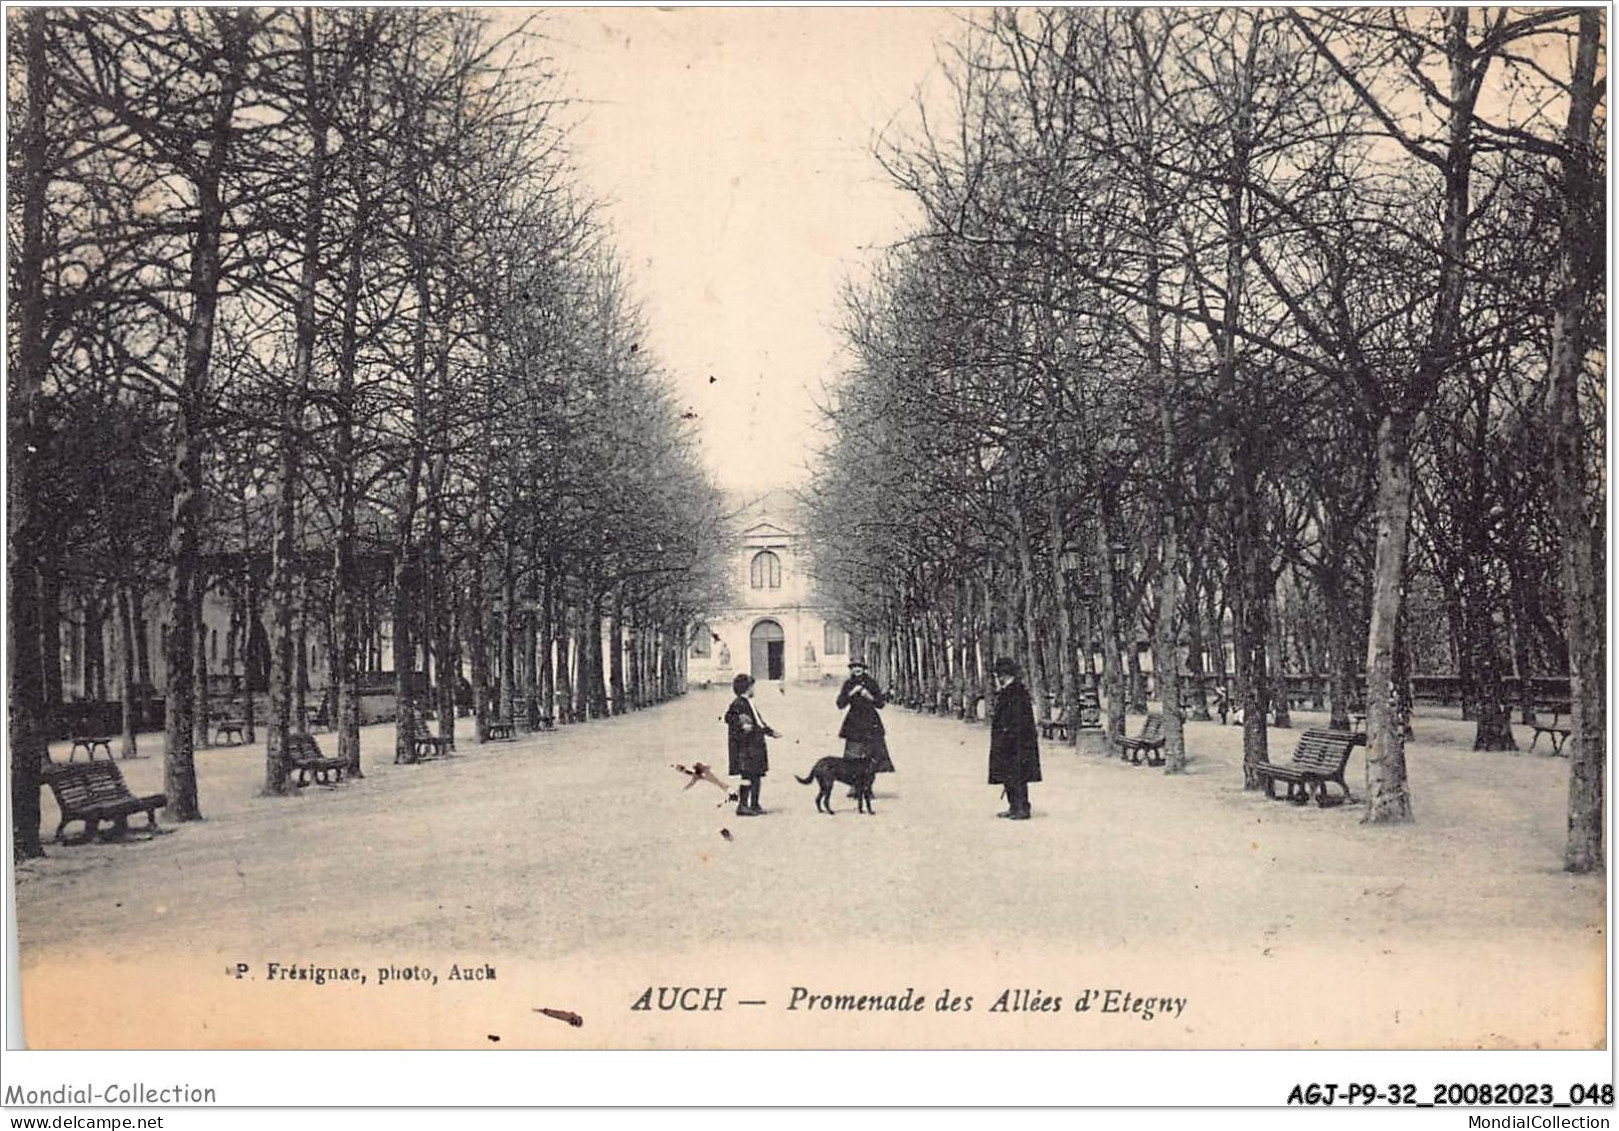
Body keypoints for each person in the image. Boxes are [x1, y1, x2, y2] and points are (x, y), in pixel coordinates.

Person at [988, 657, 1040, 820]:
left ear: (1003, 675)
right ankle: (1013, 806)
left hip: (1016, 742)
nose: (997, 679)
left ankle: (1022, 808)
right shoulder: (1009, 690)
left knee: (1018, 774)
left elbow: (1018, 720)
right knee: (1008, 774)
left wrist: (1007, 735)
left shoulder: (1016, 691)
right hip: (1008, 741)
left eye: (998, 675)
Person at [836, 657, 893, 793]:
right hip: (854, 723)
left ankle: (868, 788)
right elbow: (840, 704)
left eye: (859, 666)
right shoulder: (848, 684)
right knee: (853, 755)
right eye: (854, 666)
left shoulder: (871, 683)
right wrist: (851, 693)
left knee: (870, 756)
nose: (857, 669)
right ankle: (854, 786)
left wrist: (869, 696)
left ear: (864, 668)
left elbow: (880, 704)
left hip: (870, 722)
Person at [724, 673, 777, 816]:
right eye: (753, 687)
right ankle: (742, 805)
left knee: (757, 775)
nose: (754, 690)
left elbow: (758, 723)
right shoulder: (738, 703)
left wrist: (770, 732)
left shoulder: (748, 702)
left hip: (755, 745)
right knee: (747, 776)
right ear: (747, 688)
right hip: (746, 747)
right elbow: (729, 717)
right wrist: (741, 725)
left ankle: (754, 804)